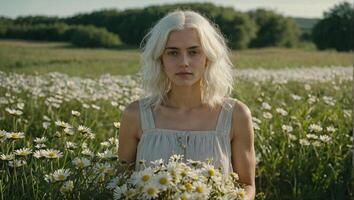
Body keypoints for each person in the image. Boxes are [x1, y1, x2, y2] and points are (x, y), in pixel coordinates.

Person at [118, 10, 256, 199]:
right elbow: (120, 185)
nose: (184, 62)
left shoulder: (235, 114)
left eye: (193, 52)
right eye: (173, 53)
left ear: (208, 57)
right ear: (160, 59)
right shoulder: (136, 115)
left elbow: (247, 185)